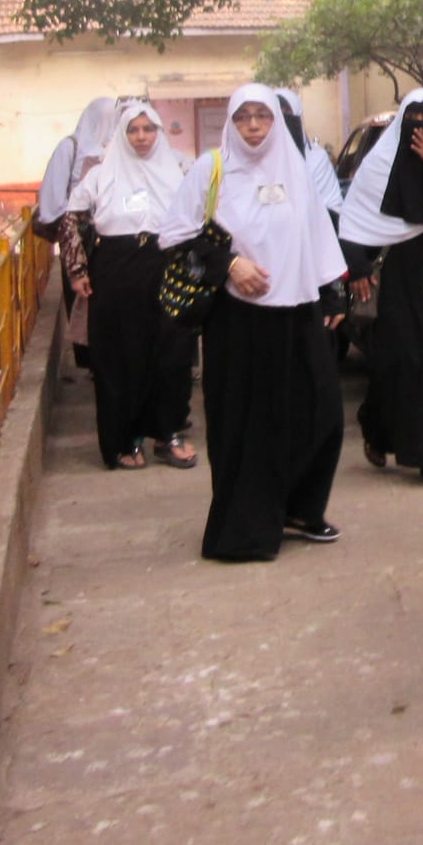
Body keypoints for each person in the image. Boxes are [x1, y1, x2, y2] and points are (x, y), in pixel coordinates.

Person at [157, 85, 350, 560]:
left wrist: (331, 290)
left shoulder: (296, 167)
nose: (253, 125)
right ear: (231, 122)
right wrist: (228, 265)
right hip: (237, 320)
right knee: (246, 423)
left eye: (262, 115)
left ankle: (298, 509)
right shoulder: (212, 167)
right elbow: (175, 234)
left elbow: (316, 231)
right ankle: (244, 529)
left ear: (277, 120)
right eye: (243, 117)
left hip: (298, 308)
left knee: (320, 412)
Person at [338, 90, 423, 483]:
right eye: (411, 121)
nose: (419, 131)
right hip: (393, 277)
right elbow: (355, 221)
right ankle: (378, 433)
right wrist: (358, 266)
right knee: (393, 365)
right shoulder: (378, 166)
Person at [61, 102, 196, 470]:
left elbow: (202, 215)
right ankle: (124, 439)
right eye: (133, 130)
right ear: (122, 134)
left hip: (168, 267)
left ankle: (167, 435)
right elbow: (71, 219)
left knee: (172, 355)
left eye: (148, 129)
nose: (141, 137)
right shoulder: (101, 175)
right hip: (117, 272)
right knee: (121, 357)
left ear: (158, 132)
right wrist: (77, 269)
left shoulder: (180, 169)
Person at [36, 97, 120, 369]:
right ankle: (90, 360)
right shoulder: (69, 148)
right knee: (83, 299)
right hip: (77, 240)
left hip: (110, 241)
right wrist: (79, 218)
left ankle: (109, 357)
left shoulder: (118, 151)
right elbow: (52, 202)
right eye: (108, 118)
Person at [274, 87, 343, 213]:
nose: (283, 119)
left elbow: (332, 206)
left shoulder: (316, 158)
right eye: (277, 112)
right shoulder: (256, 159)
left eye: (287, 113)